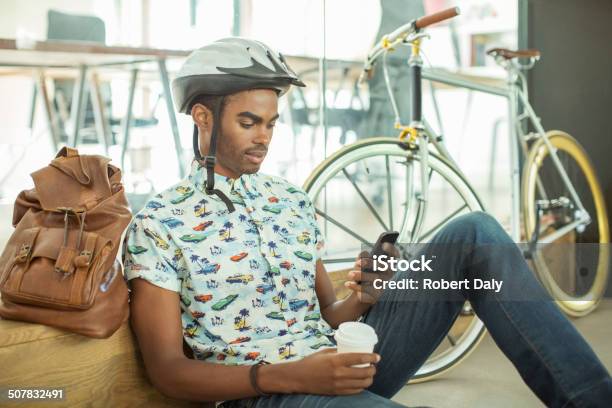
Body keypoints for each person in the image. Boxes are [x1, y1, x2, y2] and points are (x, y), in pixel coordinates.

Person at [122, 38, 612, 407]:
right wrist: (291, 377)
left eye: (271, 124)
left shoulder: (290, 201)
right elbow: (167, 371)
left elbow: (328, 317)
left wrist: (364, 297)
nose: (264, 138)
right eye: (248, 123)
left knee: (477, 231)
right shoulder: (161, 224)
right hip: (266, 395)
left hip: (340, 363)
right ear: (203, 118)